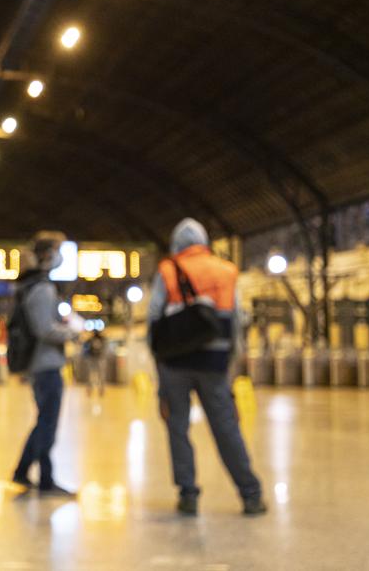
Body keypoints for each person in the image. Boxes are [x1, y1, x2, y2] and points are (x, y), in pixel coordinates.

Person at [148, 219, 266, 517]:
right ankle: (250, 493)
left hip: (174, 364)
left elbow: (153, 321)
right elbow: (236, 324)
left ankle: (188, 494)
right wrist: (232, 367)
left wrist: (158, 371)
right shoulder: (226, 271)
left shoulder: (167, 270)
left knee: (178, 427)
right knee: (226, 428)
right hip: (214, 364)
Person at [11, 232, 81, 496]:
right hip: (46, 365)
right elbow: (43, 329)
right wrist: (72, 333)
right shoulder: (42, 288)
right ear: (48, 255)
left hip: (42, 364)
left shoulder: (34, 285)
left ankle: (23, 472)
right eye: (59, 249)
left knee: (44, 421)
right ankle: (46, 482)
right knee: (47, 424)